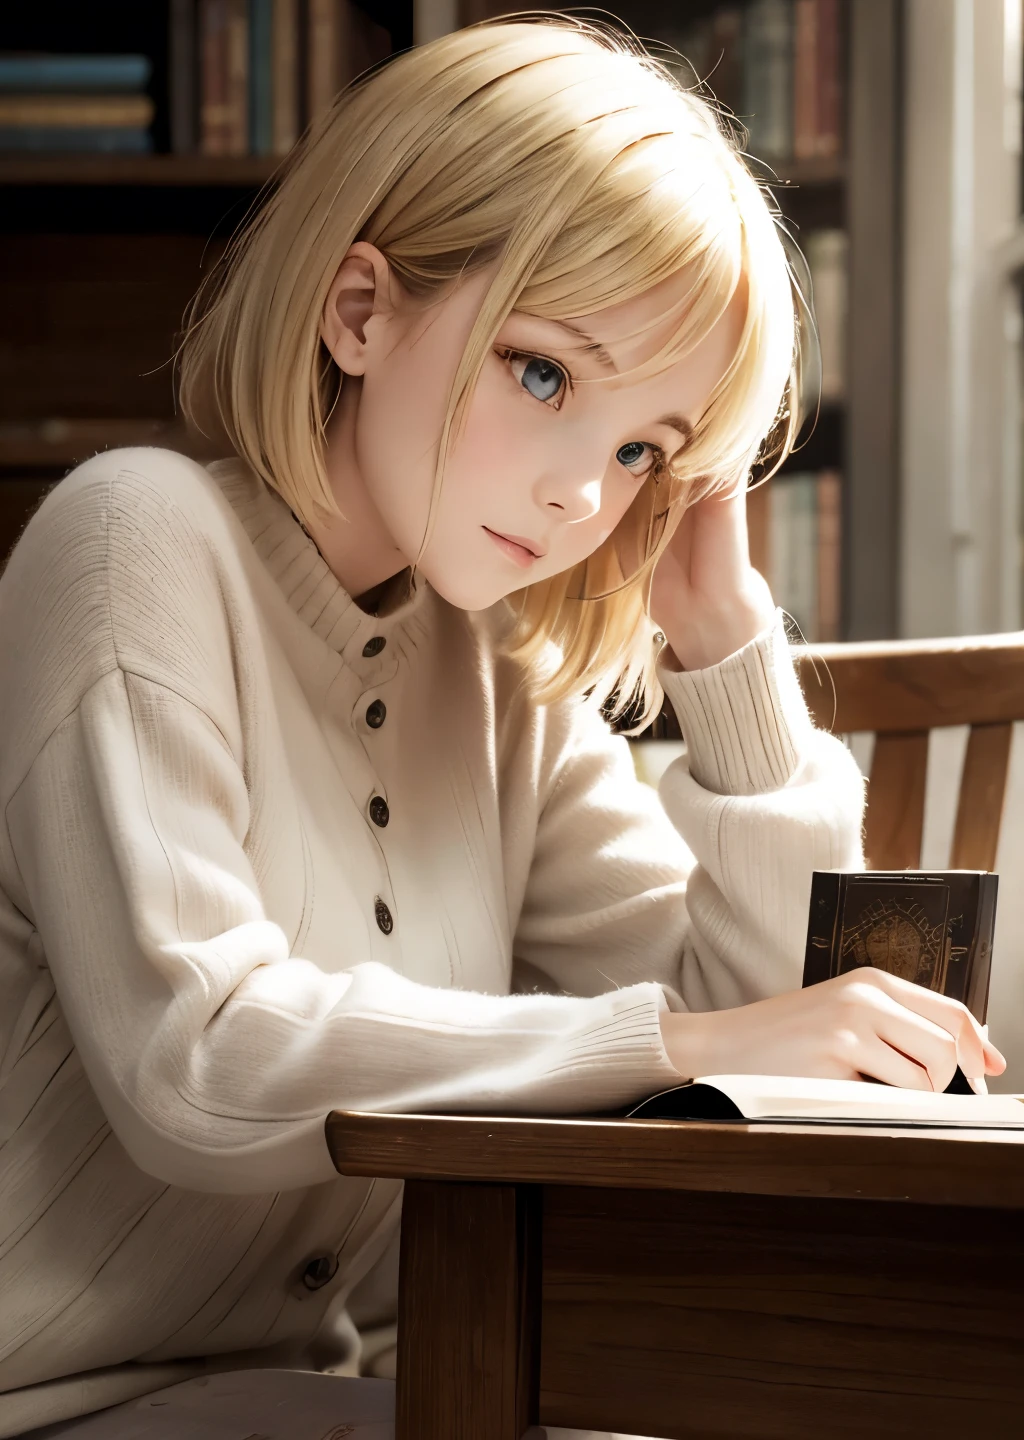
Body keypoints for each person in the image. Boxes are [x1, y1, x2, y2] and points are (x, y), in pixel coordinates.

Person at [0, 14, 1004, 1440]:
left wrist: (722, 641)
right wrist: (680, 1038)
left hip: (378, 1388)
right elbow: (199, 1058)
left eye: (643, 447)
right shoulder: (133, 542)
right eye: (544, 373)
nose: (584, 499)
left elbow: (757, 1031)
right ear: (361, 311)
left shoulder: (487, 667)